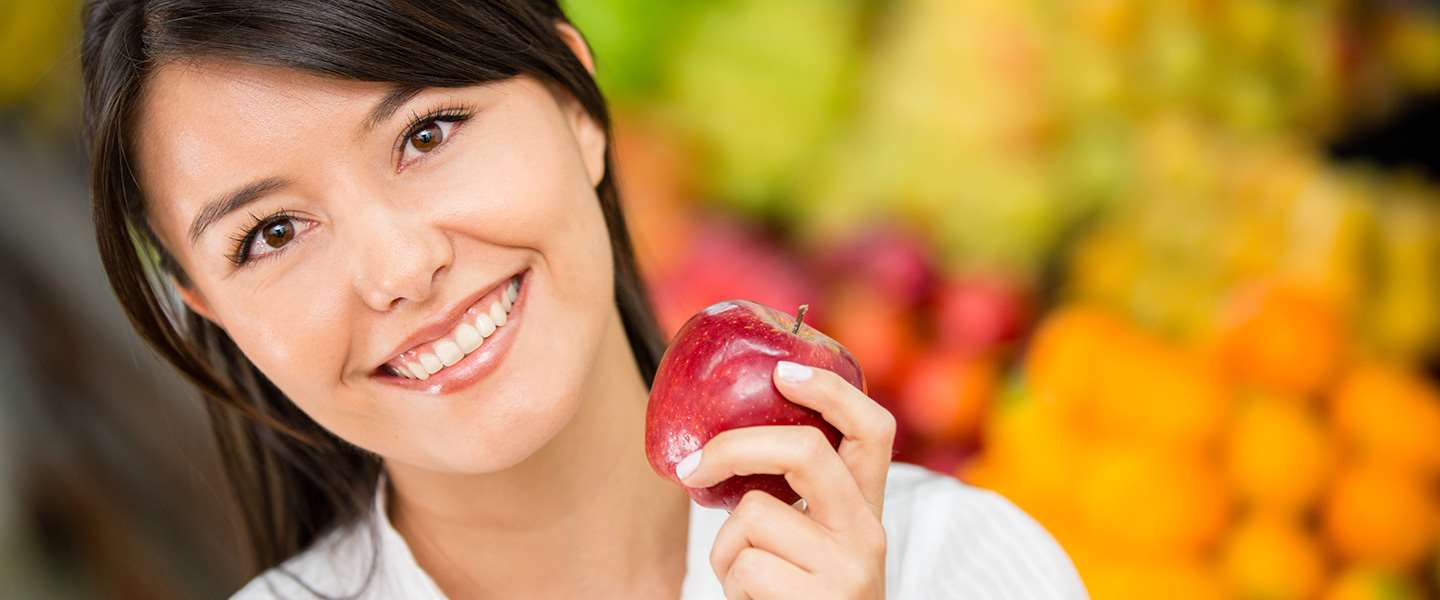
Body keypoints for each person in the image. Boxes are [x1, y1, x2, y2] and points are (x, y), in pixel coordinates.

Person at [79, 1, 1087, 598]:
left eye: (426, 134)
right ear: (205, 303)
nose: (399, 268)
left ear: (576, 107)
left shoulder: (956, 566)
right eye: (271, 234)